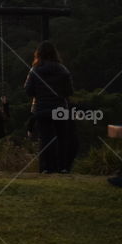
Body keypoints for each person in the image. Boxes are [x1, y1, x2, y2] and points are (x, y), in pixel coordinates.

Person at [24, 41, 74, 173]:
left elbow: (28, 90)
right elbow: (69, 91)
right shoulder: (63, 69)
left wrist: (39, 94)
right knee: (62, 137)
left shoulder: (34, 70)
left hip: (42, 109)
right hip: (60, 108)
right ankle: (63, 167)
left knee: (45, 137)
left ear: (38, 54)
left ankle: (46, 167)